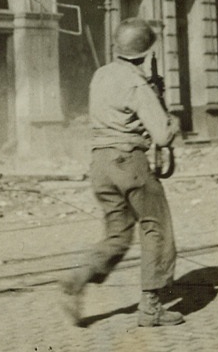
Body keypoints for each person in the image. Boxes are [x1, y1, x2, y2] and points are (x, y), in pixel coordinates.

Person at [60, 18, 183, 327]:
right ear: (145, 52)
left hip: (100, 164)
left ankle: (81, 276)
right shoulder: (136, 83)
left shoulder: (101, 74)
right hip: (129, 162)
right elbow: (162, 135)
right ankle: (151, 307)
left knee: (118, 234)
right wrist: (173, 122)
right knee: (156, 228)